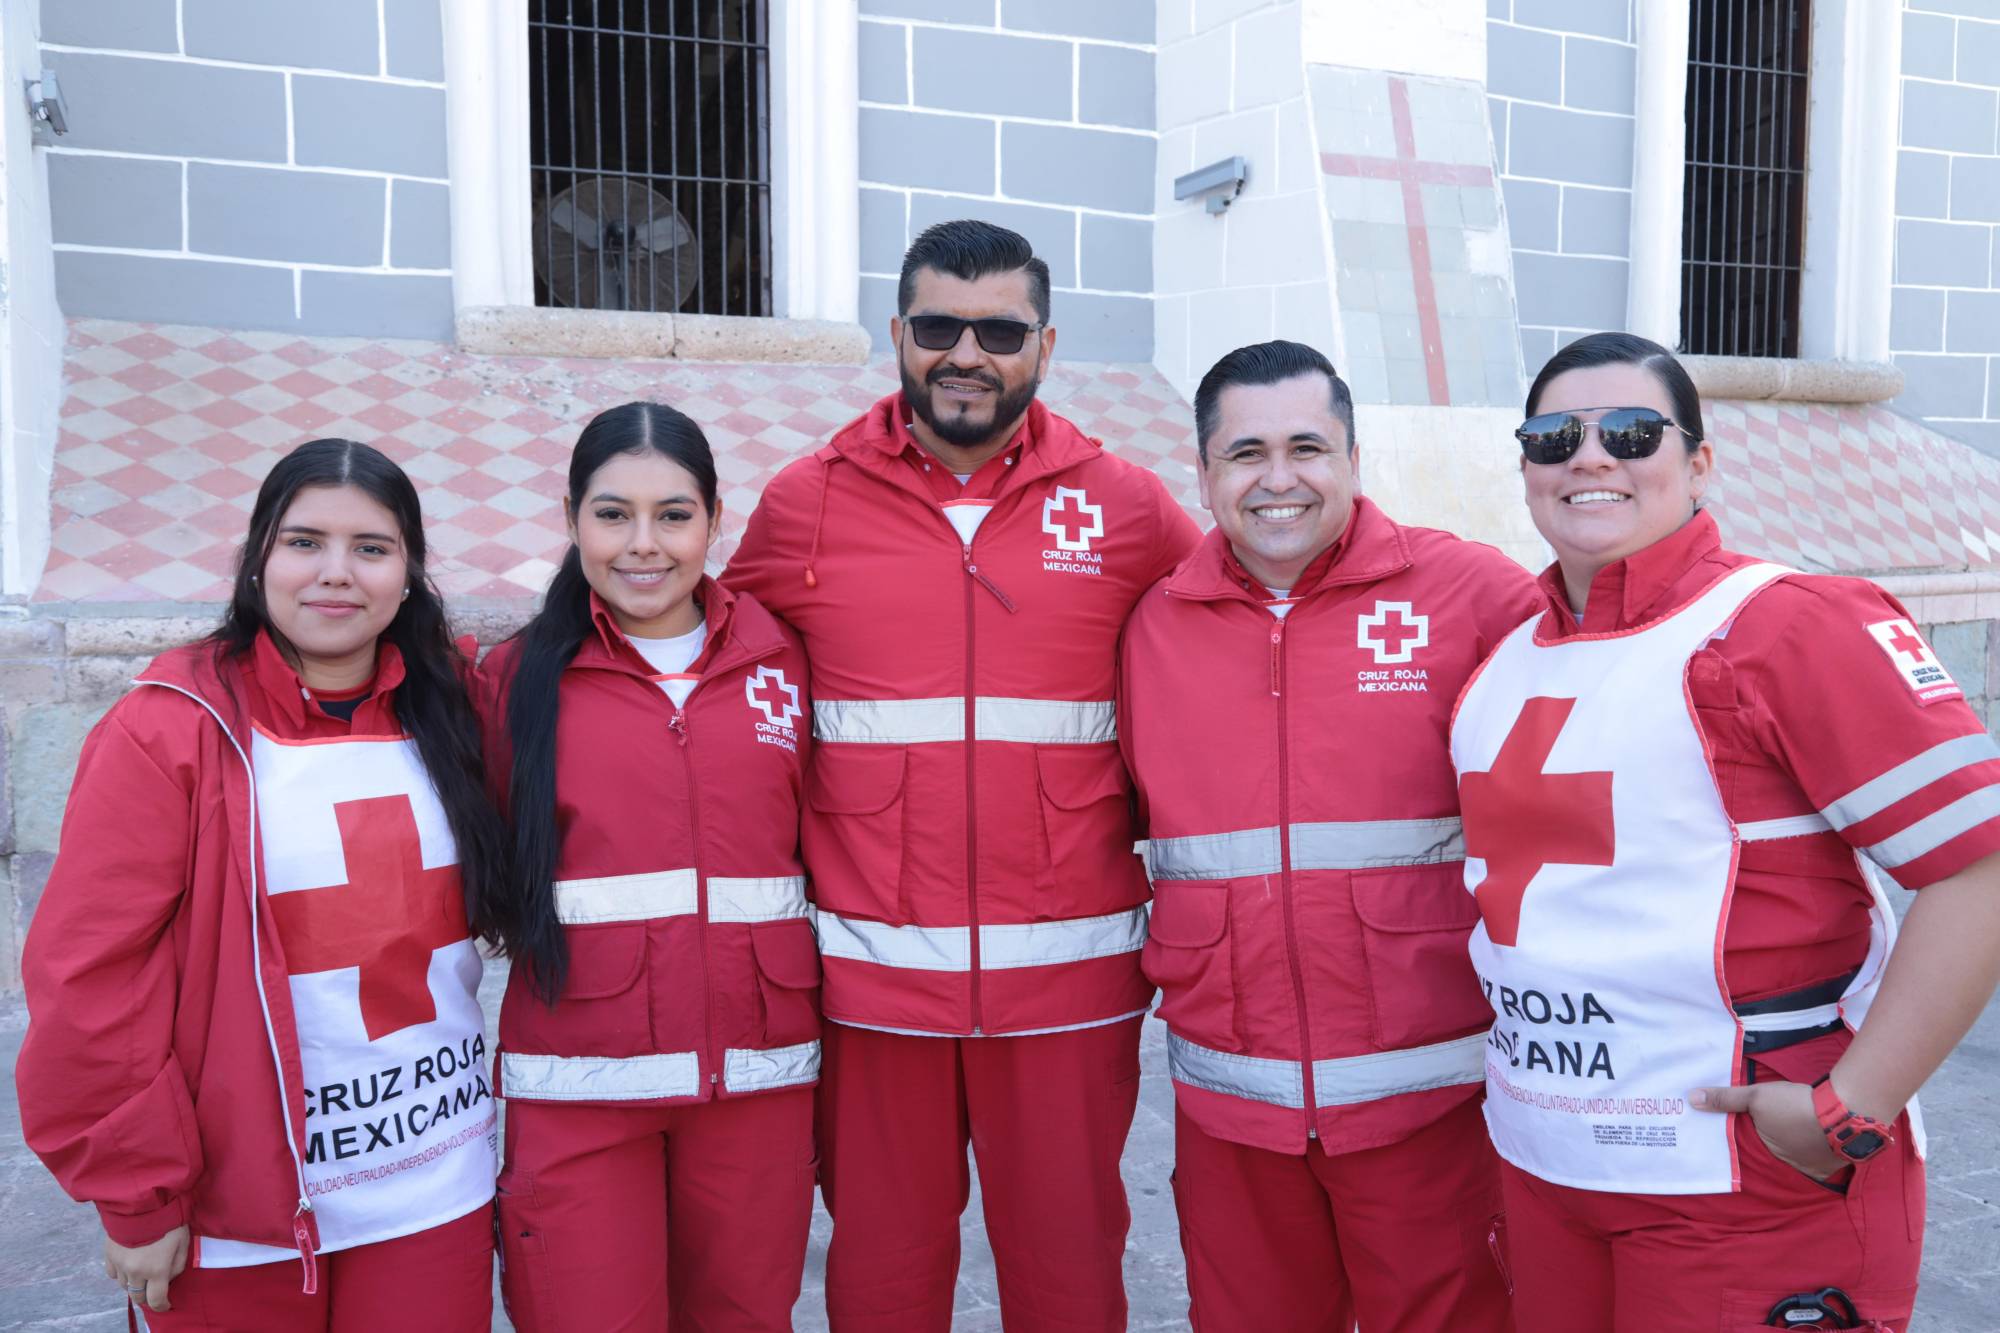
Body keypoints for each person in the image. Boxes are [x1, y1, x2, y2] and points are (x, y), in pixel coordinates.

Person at [1450, 331, 2000, 1329]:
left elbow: (1977, 868)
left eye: (1629, 430)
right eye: (1550, 435)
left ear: (1697, 460)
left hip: (1745, 1191)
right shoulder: (1504, 660)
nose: (1589, 455)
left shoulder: (1787, 624)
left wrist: (1846, 1111)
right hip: (1547, 1175)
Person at [725, 219, 1201, 1330]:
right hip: (873, 988)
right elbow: (709, 661)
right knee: (883, 1275)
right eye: (938, 325)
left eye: (999, 330)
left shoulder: (1124, 505)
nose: (965, 354)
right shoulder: (807, 501)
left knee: (1069, 1276)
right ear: (896, 333)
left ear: (1045, 344)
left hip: (1069, 991)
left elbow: (1231, 630)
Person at [16, 439, 507, 1330]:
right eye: (303, 541)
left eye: (371, 547)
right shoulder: (170, 730)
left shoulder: (455, 713)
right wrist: (137, 1192)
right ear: (257, 561)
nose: (336, 574)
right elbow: (91, 976)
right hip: (239, 1213)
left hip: (435, 1180)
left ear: (409, 573)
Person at [1118, 341, 1538, 1331]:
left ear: (1353, 456)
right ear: (1204, 471)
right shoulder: (1151, 626)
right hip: (1233, 1114)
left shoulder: (1473, 597)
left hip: (1431, 1108)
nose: (1277, 479)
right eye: (1244, 452)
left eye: (1306, 447)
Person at [478, 401, 819, 1331]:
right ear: (571, 518)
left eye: (673, 514)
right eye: (611, 513)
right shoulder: (514, 681)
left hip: (756, 1083)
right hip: (581, 1091)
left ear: (716, 518)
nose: (643, 544)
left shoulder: (782, 658)